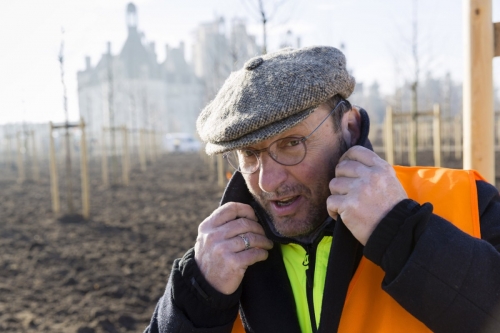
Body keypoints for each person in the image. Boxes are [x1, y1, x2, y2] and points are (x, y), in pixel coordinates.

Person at [144, 46, 500, 333]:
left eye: (292, 143)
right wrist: (198, 299)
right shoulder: (217, 259)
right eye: (250, 154)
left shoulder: (464, 201)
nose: (268, 182)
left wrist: (401, 233)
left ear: (348, 126)